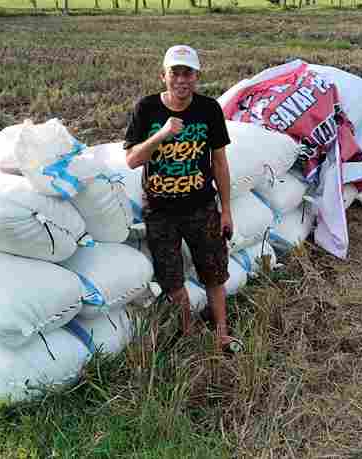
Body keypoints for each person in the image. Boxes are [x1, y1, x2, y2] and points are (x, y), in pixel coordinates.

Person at [123, 45, 242, 353]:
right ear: (163, 76)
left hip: (201, 207)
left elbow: (219, 161)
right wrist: (162, 134)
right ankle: (188, 334)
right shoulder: (146, 108)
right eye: (175, 72)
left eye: (187, 72)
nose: (181, 79)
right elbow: (132, 160)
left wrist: (226, 210)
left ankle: (221, 334)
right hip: (159, 211)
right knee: (172, 279)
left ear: (197, 76)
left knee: (214, 272)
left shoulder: (209, 109)